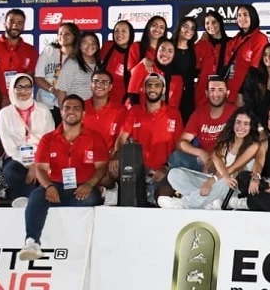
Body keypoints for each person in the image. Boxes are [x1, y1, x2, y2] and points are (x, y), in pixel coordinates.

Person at [18, 95, 107, 261]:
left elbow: (101, 167)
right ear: (61, 111)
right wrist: (49, 187)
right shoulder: (48, 138)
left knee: (86, 200)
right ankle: (31, 242)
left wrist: (89, 184)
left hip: (83, 186)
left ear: (83, 113)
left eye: (76, 108)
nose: (71, 111)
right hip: (56, 185)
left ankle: (76, 249)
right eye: (67, 108)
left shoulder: (95, 137)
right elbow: (40, 168)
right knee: (37, 196)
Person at [160, 109, 260, 209]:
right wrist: (211, 180)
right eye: (238, 122)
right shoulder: (226, 142)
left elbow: (232, 169)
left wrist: (210, 182)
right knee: (174, 174)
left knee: (226, 182)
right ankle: (210, 203)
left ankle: (184, 204)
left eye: (246, 124)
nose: (241, 127)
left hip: (233, 187)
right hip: (216, 181)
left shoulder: (254, 146)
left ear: (251, 127)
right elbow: (216, 161)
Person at [117, 74, 184, 202]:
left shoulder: (174, 113)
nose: (153, 89)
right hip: (139, 170)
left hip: (164, 170)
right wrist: (116, 156)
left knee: (163, 198)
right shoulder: (134, 111)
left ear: (163, 89)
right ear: (143, 88)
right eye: (149, 85)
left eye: (157, 85)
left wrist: (166, 168)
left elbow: (180, 146)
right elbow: (121, 139)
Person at [0, 72, 56, 206]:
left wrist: (37, 164)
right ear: (12, 88)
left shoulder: (43, 110)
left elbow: (50, 140)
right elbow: (9, 146)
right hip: (17, 158)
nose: (23, 91)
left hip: (42, 157)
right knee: (11, 172)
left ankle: (22, 199)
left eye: (27, 87)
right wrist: (30, 165)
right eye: (19, 87)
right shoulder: (5, 113)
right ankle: (32, 199)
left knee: (45, 175)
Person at [171, 76, 233, 172]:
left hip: (226, 160)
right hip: (204, 159)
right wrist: (201, 153)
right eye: (212, 90)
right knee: (176, 157)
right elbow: (181, 142)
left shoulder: (235, 112)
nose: (216, 94)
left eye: (220, 90)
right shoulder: (199, 113)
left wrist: (215, 159)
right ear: (207, 93)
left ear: (227, 93)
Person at [0, 8, 38, 98]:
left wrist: (17, 97)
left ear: (23, 26)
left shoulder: (30, 50)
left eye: (19, 23)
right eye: (11, 21)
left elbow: (30, 77)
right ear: (5, 23)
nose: (15, 26)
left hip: (20, 100)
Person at [83, 70, 126, 193]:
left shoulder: (120, 110)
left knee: (107, 175)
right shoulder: (80, 107)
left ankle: (111, 188)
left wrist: (117, 155)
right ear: (91, 84)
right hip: (84, 159)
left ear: (110, 87)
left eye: (104, 82)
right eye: (96, 81)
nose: (100, 85)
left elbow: (122, 138)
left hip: (108, 159)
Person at [223, 4, 268, 104]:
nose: (241, 18)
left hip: (246, 94)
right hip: (229, 92)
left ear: (253, 17)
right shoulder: (236, 38)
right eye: (239, 15)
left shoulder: (260, 39)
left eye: (245, 14)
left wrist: (241, 93)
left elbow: (254, 70)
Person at [34, 22, 79, 117]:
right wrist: (52, 90)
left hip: (67, 105)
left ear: (75, 36)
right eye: (60, 33)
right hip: (44, 104)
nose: (63, 36)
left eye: (67, 33)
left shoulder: (79, 57)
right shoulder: (49, 50)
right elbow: (38, 77)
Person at [129, 38, 183, 108]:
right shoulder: (144, 66)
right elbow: (132, 93)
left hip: (165, 116)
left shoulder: (178, 78)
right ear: (157, 51)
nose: (165, 54)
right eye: (162, 49)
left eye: (170, 51)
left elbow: (175, 105)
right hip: (141, 114)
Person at [194, 10, 229, 108]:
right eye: (207, 23)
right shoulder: (200, 45)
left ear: (220, 23)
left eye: (214, 22)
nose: (210, 25)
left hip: (225, 93)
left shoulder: (231, 43)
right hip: (203, 93)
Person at [55, 31, 100, 102]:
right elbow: (61, 91)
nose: (89, 46)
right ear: (79, 46)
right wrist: (63, 111)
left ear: (97, 46)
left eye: (93, 43)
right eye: (85, 43)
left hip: (89, 110)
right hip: (72, 109)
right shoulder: (72, 63)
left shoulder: (99, 65)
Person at [239, 43, 270, 120]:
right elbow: (249, 103)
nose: (268, 57)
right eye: (265, 54)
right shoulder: (253, 75)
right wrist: (259, 127)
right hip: (256, 123)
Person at [99, 20, 136, 104]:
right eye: (117, 30)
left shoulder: (135, 52)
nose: (119, 34)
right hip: (104, 101)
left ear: (130, 34)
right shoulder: (107, 46)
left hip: (125, 103)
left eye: (124, 31)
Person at [170, 16, 200, 120]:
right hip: (170, 95)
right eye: (186, 26)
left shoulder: (195, 50)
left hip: (188, 96)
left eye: (192, 28)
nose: (189, 30)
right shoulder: (168, 46)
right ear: (179, 28)